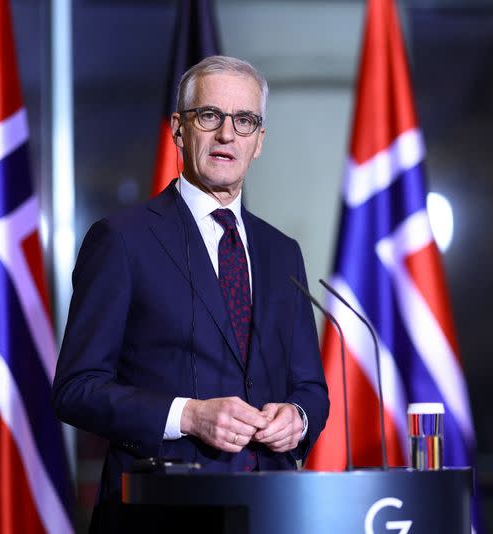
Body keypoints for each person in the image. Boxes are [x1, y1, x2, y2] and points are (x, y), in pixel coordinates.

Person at [52, 56, 329, 531]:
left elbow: (310, 386)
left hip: (271, 512)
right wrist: (189, 415)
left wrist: (298, 418)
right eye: (209, 116)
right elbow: (76, 390)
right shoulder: (121, 240)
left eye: (244, 121)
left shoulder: (283, 251)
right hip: (161, 510)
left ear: (259, 141)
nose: (227, 134)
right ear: (179, 130)